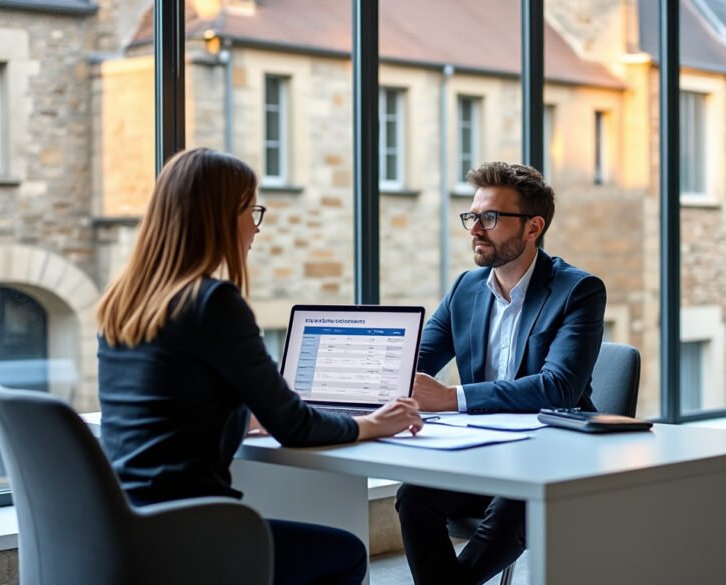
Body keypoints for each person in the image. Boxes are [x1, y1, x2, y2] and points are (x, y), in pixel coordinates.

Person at [96, 147, 423, 585]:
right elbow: (294, 426)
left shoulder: (124, 302)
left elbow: (168, 409)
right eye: (250, 210)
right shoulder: (213, 303)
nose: (255, 226)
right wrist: (373, 423)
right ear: (218, 216)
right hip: (191, 536)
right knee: (346, 553)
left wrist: (236, 416)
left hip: (129, 527)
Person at [395, 161, 607, 585]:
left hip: (551, 453)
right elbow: (410, 364)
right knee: (413, 495)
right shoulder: (465, 289)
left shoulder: (578, 291)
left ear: (533, 228)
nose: (475, 229)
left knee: (516, 501)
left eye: (490, 218)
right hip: (481, 449)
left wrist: (452, 397)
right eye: (472, 216)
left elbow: (559, 387)